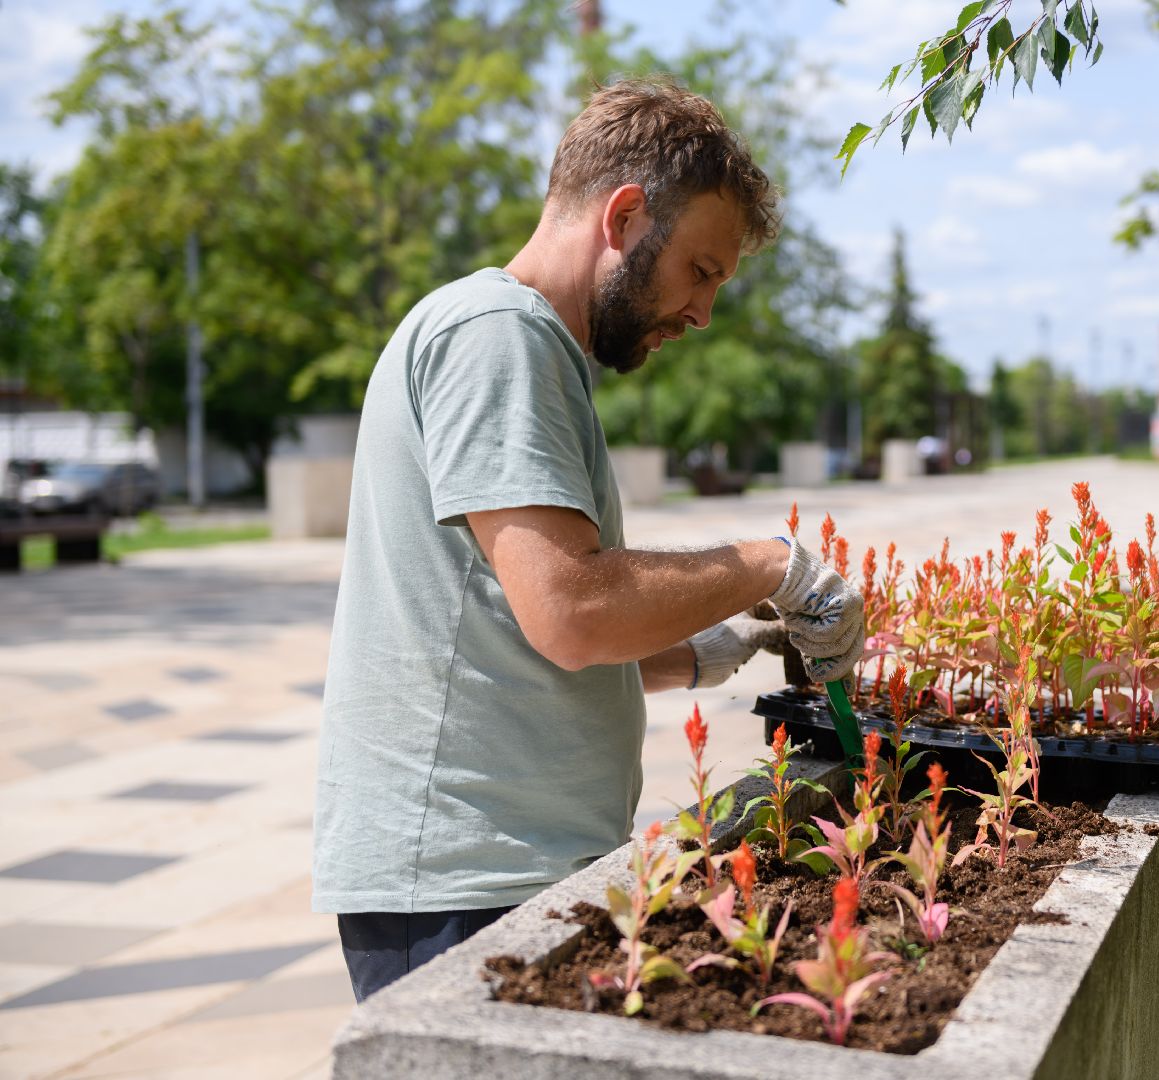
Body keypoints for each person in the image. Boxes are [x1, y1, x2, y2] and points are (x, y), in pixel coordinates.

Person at [312, 77, 865, 1003]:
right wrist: (773, 567)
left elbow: (514, 626)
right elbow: (571, 611)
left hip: (491, 870)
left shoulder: (525, 347)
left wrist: (705, 649)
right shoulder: (498, 336)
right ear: (624, 216)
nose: (702, 314)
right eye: (701, 270)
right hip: (464, 884)